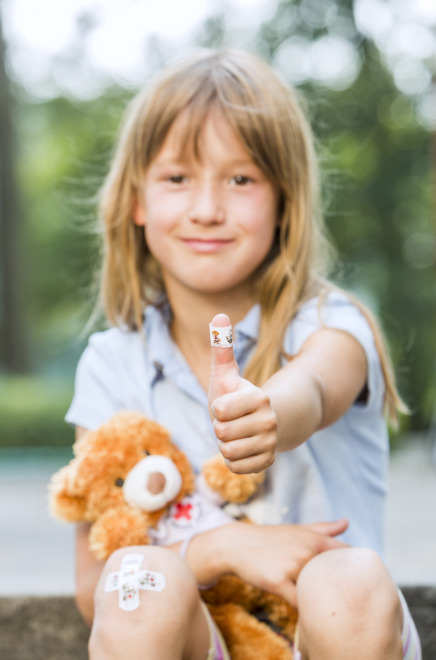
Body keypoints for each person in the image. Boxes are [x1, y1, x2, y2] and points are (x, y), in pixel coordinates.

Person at [65, 49, 421, 659]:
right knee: (135, 583)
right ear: (138, 201)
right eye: (177, 178)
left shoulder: (333, 325)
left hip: (336, 632)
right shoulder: (109, 364)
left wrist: (272, 411)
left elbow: (314, 384)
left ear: (285, 201)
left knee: (349, 578)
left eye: (241, 179)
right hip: (196, 642)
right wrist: (219, 549)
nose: (207, 208)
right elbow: (92, 585)